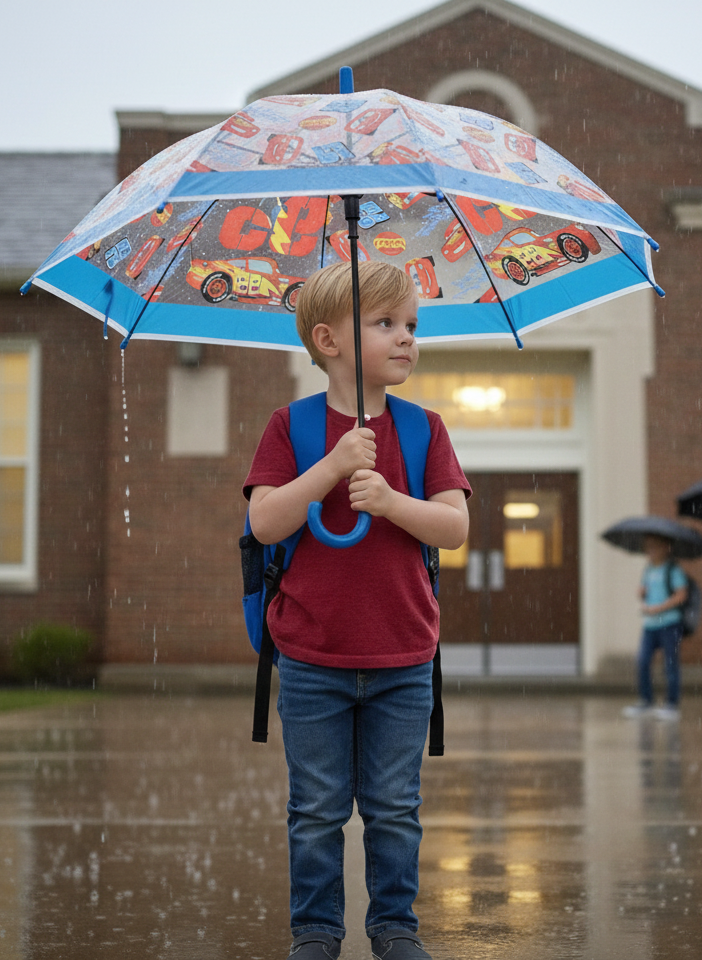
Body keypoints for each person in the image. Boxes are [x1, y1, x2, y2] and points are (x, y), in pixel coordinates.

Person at [244, 261, 471, 960]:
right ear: (328, 339)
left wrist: (393, 502)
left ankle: (395, 927)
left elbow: (454, 527)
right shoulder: (292, 426)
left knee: (395, 810)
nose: (407, 338)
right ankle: (315, 931)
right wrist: (333, 467)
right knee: (315, 811)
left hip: (403, 656)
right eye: (386, 324)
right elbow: (265, 522)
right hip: (313, 657)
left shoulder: (423, 430)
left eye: (412, 326)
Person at [622, 533, 688, 721]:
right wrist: (641, 595)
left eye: (654, 547)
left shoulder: (673, 570)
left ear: (666, 548)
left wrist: (659, 608)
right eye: (648, 548)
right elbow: (644, 592)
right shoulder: (648, 569)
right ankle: (646, 700)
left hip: (669, 623)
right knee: (642, 661)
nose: (650, 552)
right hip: (650, 625)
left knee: (670, 663)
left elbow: (681, 595)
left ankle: (671, 703)